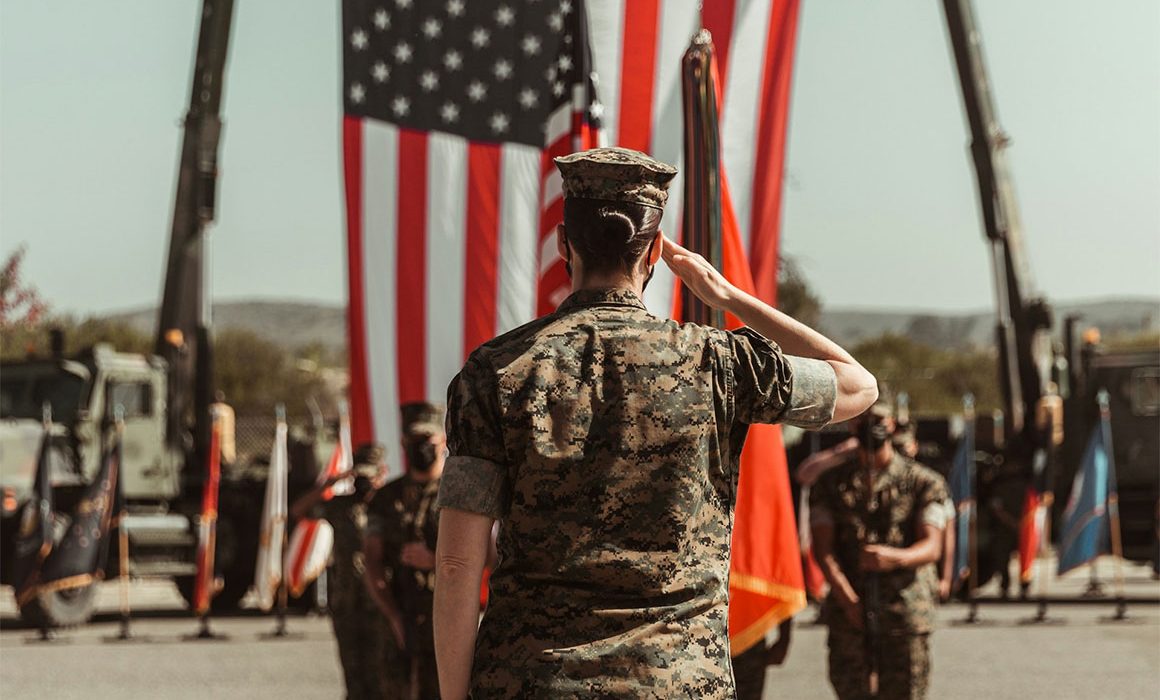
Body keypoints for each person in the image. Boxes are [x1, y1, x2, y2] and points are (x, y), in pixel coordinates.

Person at [432, 147, 878, 699]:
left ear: (563, 245)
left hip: (534, 682)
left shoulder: (495, 371)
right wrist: (730, 296)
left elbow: (455, 563)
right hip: (676, 681)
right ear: (655, 252)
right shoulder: (719, 362)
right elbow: (859, 386)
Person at [810, 401, 950, 700]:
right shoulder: (831, 483)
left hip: (904, 610)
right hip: (849, 609)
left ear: (894, 426)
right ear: (851, 426)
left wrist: (894, 558)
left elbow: (932, 546)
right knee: (850, 689)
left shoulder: (924, 482)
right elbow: (823, 548)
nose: (872, 425)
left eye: (879, 419)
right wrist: (847, 599)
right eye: (863, 419)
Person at [290, 442, 390, 700]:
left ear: (381, 474)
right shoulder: (341, 506)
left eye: (369, 476)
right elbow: (298, 511)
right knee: (352, 671)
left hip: (380, 602)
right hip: (346, 600)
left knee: (382, 672)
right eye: (360, 477)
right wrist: (330, 483)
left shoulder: (390, 506)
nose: (364, 483)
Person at [364, 403, 446, 700]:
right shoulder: (387, 497)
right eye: (414, 441)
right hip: (400, 617)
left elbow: (488, 556)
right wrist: (394, 616)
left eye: (428, 439)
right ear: (402, 443)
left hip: (448, 617)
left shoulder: (460, 493)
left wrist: (435, 560)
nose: (421, 447)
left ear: (443, 440)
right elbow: (371, 561)